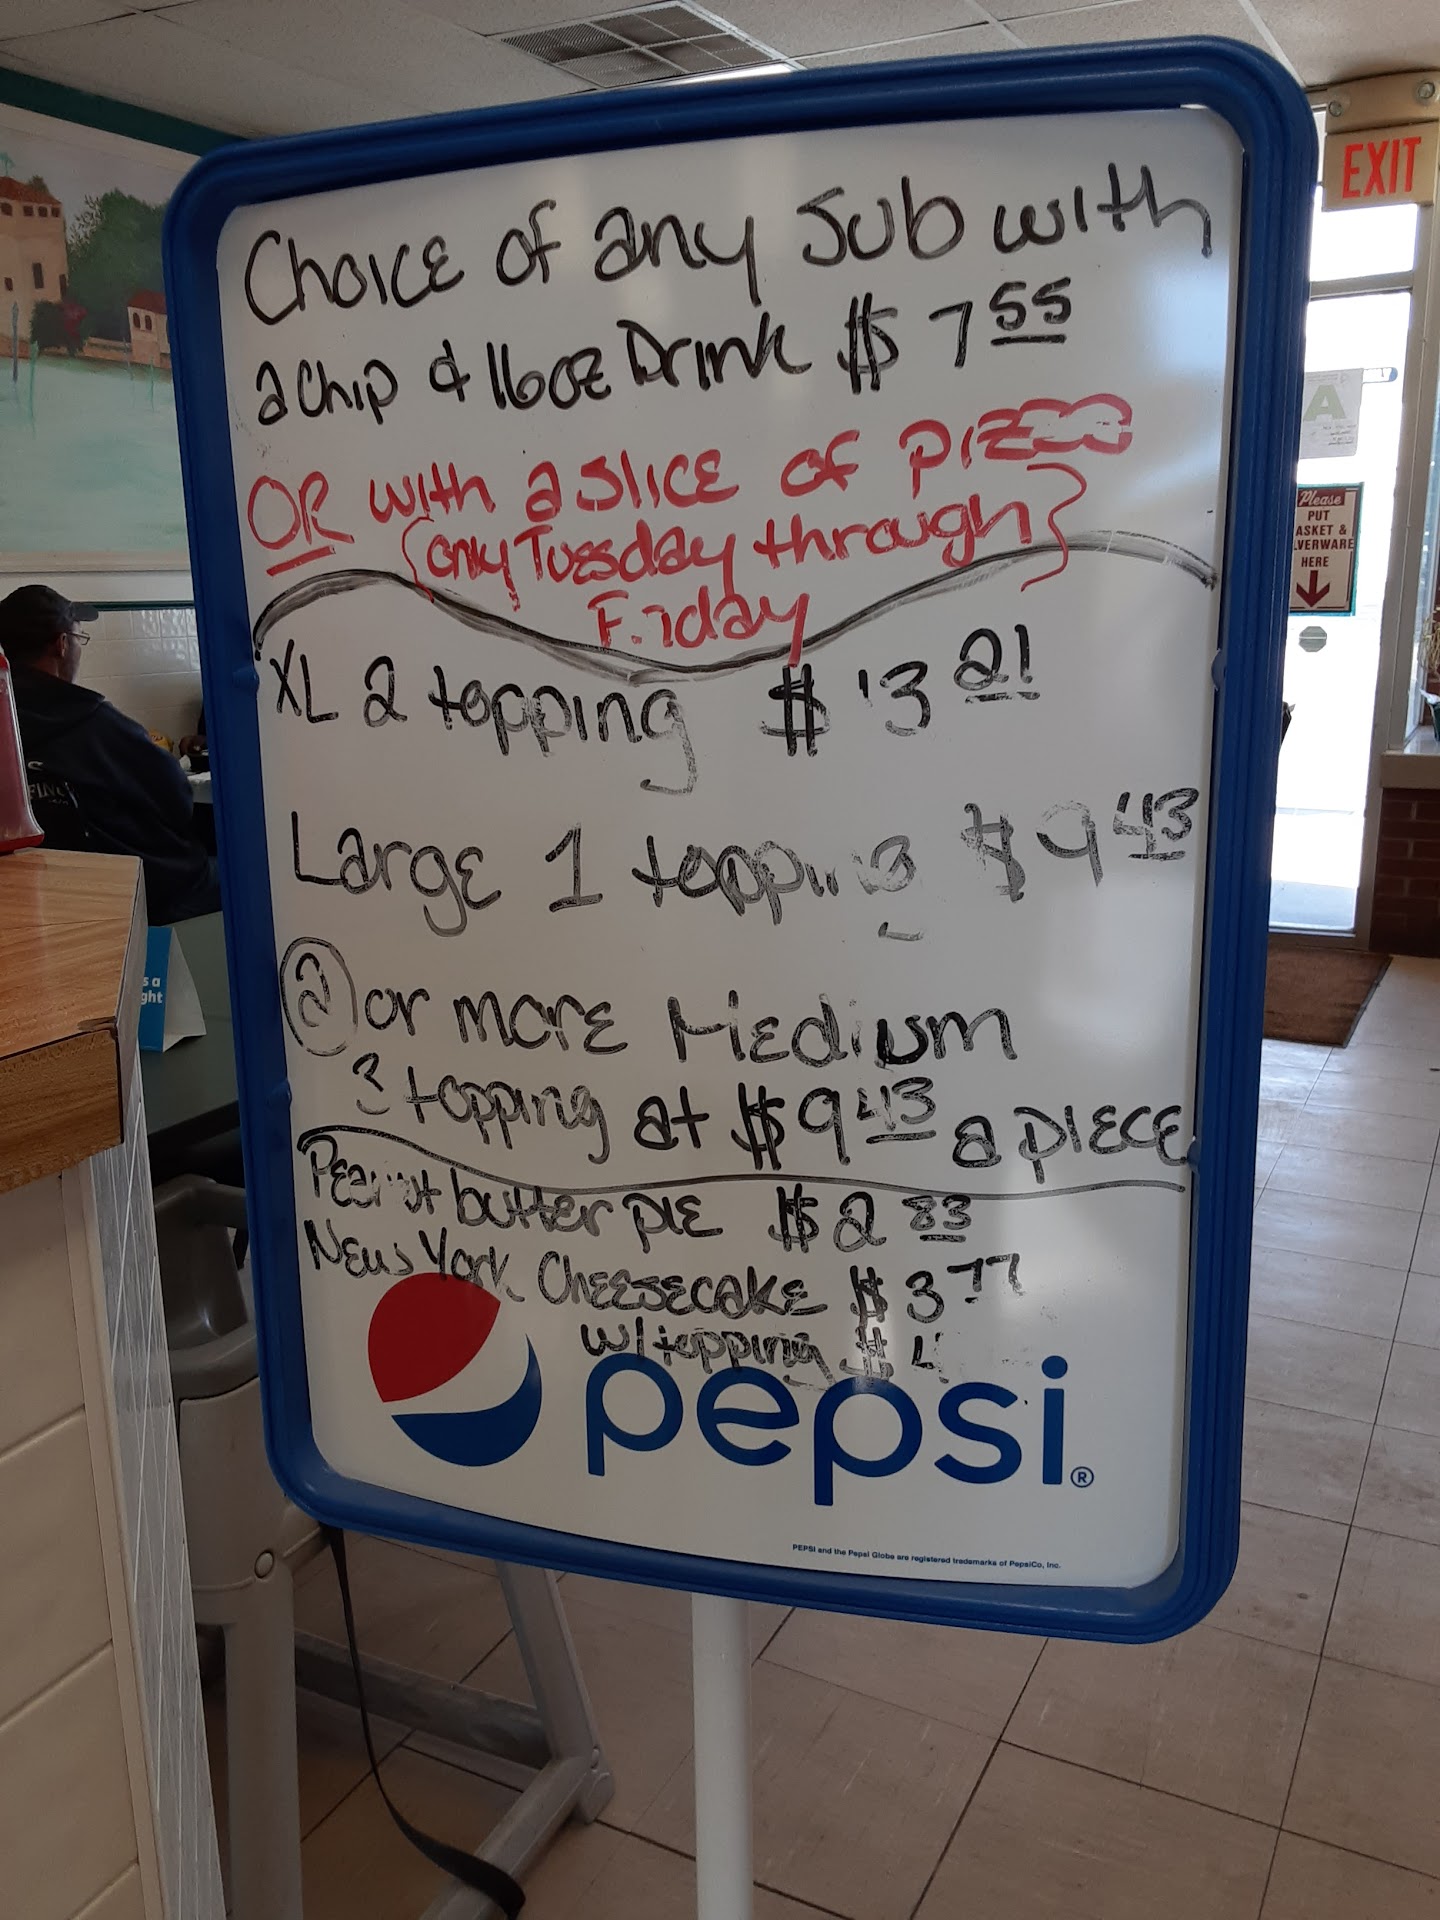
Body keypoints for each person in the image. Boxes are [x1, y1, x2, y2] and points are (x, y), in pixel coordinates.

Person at [1, 584, 219, 923]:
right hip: (148, 893)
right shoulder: (92, 722)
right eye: (78, 638)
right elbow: (178, 800)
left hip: (50, 902)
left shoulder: (8, 724)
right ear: (61, 644)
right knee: (242, 870)